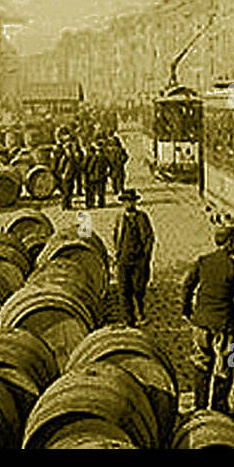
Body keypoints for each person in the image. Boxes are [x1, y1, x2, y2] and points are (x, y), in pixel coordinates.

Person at [181, 225, 234, 414]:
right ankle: (220, 406)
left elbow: (187, 286)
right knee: (228, 365)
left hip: (201, 324)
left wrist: (188, 310)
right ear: (229, 243)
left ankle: (200, 406)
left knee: (201, 364)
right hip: (226, 327)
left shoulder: (203, 261)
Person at [112, 189, 155, 324]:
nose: (128, 204)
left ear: (135, 203)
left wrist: (145, 257)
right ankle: (128, 319)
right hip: (124, 259)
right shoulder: (120, 218)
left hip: (139, 260)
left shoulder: (142, 217)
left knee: (138, 289)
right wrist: (117, 254)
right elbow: (115, 236)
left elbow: (149, 238)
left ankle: (140, 313)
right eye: (125, 202)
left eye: (130, 201)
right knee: (124, 290)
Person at [55, 131, 80, 210]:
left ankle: (68, 205)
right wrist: (62, 173)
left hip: (70, 174)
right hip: (67, 174)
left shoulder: (72, 157)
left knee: (70, 190)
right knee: (66, 191)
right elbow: (61, 165)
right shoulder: (66, 157)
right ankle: (64, 205)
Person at [83, 141, 109, 209]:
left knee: (94, 191)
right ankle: (98, 203)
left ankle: (93, 203)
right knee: (98, 191)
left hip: (94, 177)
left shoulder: (94, 157)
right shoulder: (101, 157)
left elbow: (88, 167)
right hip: (98, 176)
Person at [106, 131, 129, 198]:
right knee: (114, 179)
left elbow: (125, 157)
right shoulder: (109, 151)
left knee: (119, 179)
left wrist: (120, 162)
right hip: (113, 167)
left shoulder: (120, 150)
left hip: (118, 167)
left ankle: (119, 190)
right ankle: (116, 190)